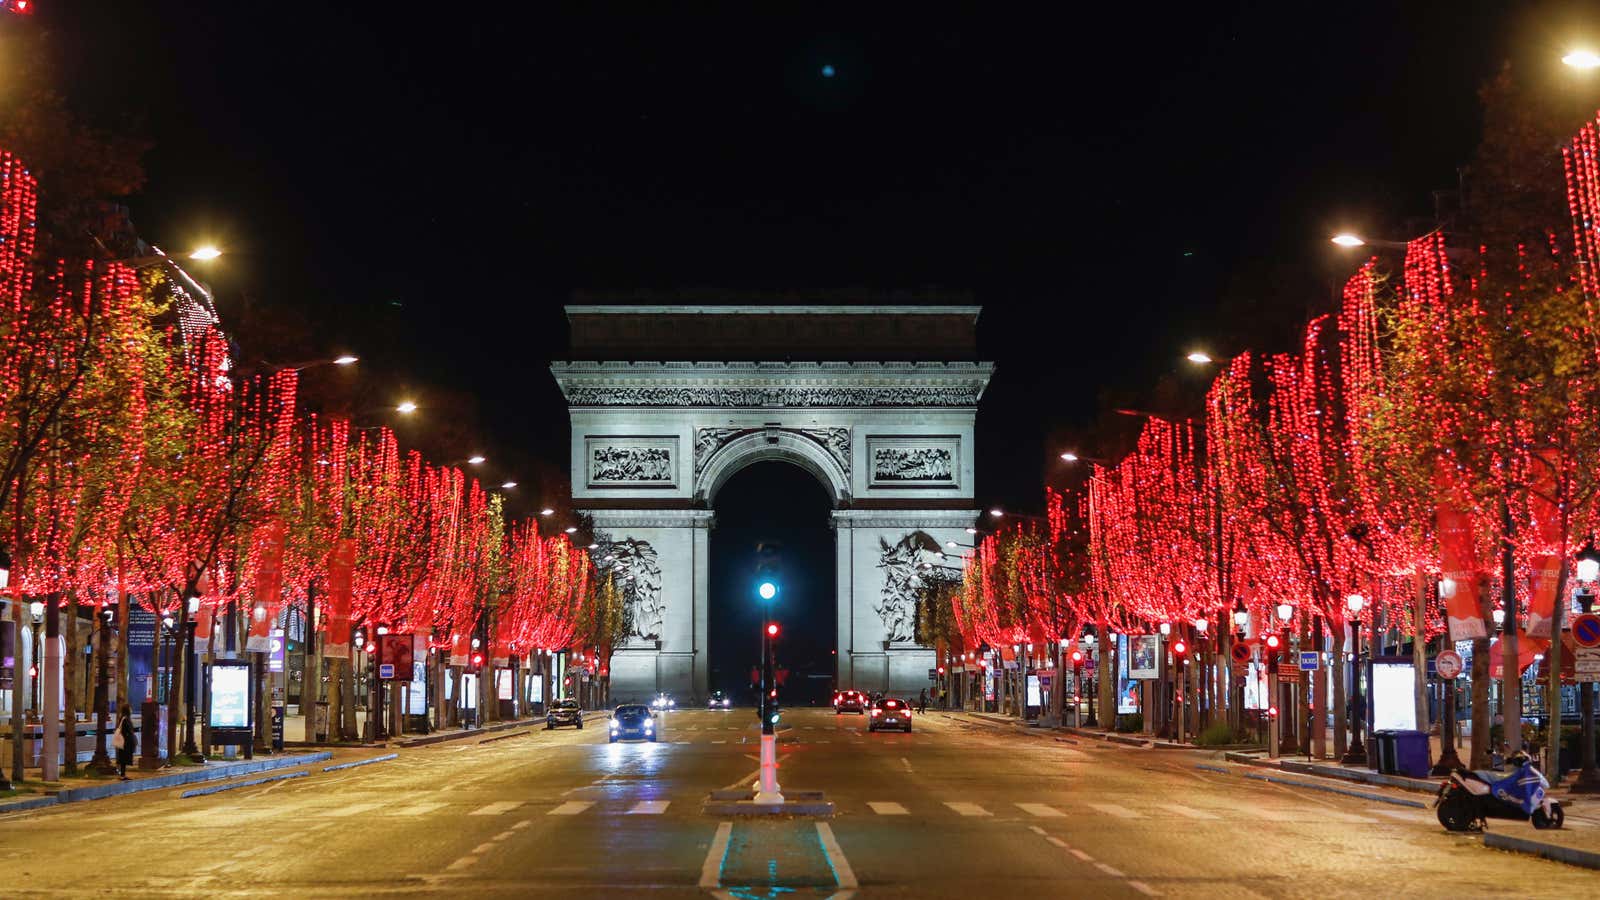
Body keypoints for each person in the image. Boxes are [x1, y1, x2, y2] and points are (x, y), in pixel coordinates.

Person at [114, 703, 136, 780]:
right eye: (130, 708)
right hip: (125, 741)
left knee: (123, 758)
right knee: (124, 758)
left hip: (124, 741)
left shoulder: (123, 718)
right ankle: (122, 774)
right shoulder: (125, 719)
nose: (131, 710)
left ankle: (122, 774)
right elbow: (128, 730)